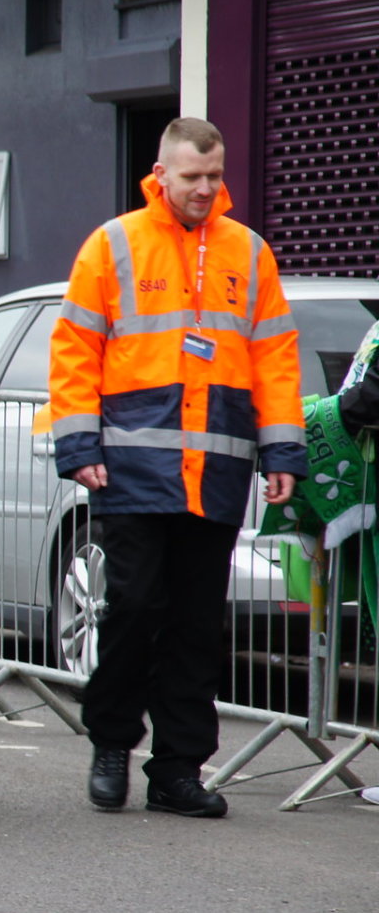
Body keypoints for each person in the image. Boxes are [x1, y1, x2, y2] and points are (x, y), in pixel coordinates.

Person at [50, 116, 303, 819]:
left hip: (215, 471)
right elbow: (74, 352)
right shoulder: (114, 245)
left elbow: (274, 361)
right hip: (130, 472)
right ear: (160, 174)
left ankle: (178, 769)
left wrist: (282, 451)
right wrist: (79, 448)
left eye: (214, 176)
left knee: (196, 623)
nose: (204, 188)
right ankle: (111, 744)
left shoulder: (248, 254)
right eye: (191, 176)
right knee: (134, 609)